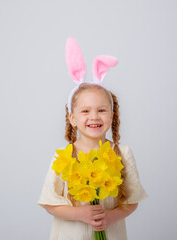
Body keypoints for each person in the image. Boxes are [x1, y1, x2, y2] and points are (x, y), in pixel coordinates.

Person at [38, 38, 148, 240]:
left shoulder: (122, 153)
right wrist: (80, 213)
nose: (94, 117)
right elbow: (49, 202)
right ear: (72, 118)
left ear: (112, 116)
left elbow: (132, 201)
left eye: (102, 110)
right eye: (85, 111)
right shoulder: (63, 156)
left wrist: (111, 216)